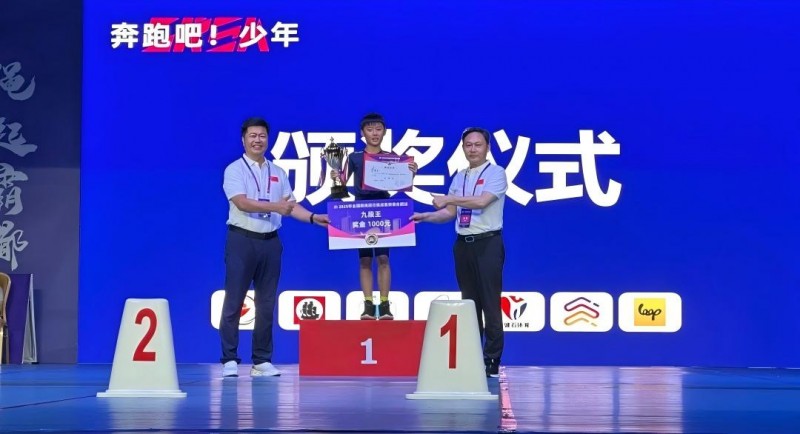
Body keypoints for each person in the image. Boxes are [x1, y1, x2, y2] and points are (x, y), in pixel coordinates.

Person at [220, 117, 329, 378]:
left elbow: (290, 206)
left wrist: (313, 218)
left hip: (271, 242)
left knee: (267, 303)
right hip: (242, 240)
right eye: (252, 136)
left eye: (262, 136)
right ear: (243, 140)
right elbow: (242, 202)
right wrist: (276, 207)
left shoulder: (278, 171)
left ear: (268, 139)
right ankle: (229, 359)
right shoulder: (234, 169)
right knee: (234, 300)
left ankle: (262, 360)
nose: (257, 140)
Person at [411, 127, 507, 377]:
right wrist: (426, 216)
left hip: (488, 243)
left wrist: (449, 199)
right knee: (469, 303)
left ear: (487, 148)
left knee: (490, 302)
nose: (473, 149)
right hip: (463, 244)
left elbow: (481, 201)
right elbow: (448, 213)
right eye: (468, 145)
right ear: (463, 148)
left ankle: (492, 359)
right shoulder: (460, 176)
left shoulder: (496, 172)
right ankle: (472, 357)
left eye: (478, 145)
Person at [332, 113, 417, 320]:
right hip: (360, 210)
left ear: (384, 132)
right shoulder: (354, 157)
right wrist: (336, 177)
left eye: (378, 129)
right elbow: (341, 184)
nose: (374, 133)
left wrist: (411, 173)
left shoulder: (392, 157)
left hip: (384, 209)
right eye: (370, 129)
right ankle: (368, 305)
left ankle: (385, 304)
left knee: (383, 258)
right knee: (364, 260)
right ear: (363, 133)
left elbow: (400, 183)